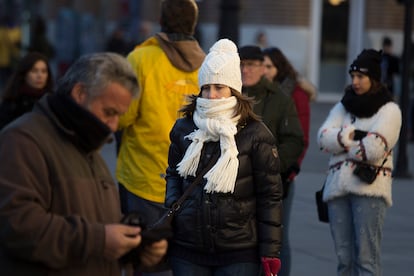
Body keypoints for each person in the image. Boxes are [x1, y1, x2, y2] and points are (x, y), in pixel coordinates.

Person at [0, 52, 168, 275]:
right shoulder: (22, 140)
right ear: (80, 93)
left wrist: (133, 248)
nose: (114, 126)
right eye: (109, 112)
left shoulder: (89, 146)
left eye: (119, 115)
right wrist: (99, 240)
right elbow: (18, 225)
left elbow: (98, 223)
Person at [165, 38, 282, 276]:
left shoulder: (256, 134)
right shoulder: (184, 128)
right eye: (206, 88)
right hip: (188, 248)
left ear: (234, 90)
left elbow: (269, 195)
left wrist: (270, 249)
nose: (212, 95)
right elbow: (173, 176)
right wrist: (175, 216)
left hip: (238, 251)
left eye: (219, 87)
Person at [116, 1, 205, 274]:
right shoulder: (207, 65)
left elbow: (123, 116)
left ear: (162, 21)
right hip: (193, 183)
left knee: (145, 259)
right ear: (193, 24)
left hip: (144, 178)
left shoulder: (140, 59)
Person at [317, 49, 402, 276]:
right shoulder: (344, 105)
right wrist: (355, 136)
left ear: (373, 78)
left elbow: (375, 148)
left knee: (366, 260)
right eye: (352, 76)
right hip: (337, 189)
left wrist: (342, 139)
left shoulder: (390, 109)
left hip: (369, 190)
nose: (354, 81)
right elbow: (322, 138)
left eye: (360, 77)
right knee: (344, 260)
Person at [262, 46, 316, 276]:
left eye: (269, 66)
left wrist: (289, 171)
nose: (264, 71)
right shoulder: (262, 92)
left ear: (279, 67)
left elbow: (301, 139)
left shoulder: (295, 94)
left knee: (279, 237)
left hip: (284, 176)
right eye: (261, 65)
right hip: (260, 174)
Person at [238, 45, 304, 194]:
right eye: (241, 64)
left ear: (262, 68)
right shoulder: (227, 95)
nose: (244, 70)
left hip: (266, 183)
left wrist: (271, 165)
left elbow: (294, 140)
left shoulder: (280, 99)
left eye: (250, 64)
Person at [0, 52, 54, 130]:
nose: (40, 75)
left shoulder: (52, 102)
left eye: (44, 71)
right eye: (34, 71)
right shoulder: (12, 103)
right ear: (24, 74)